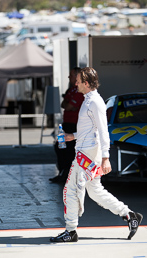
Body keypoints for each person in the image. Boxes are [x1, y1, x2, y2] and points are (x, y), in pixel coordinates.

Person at [50, 67, 143, 242]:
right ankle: (130, 215)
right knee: (95, 191)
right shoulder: (88, 100)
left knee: (70, 190)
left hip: (87, 153)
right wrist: (73, 136)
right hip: (87, 151)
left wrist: (106, 158)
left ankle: (70, 231)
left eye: (78, 80)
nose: (75, 83)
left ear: (86, 83)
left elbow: (103, 131)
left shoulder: (95, 102)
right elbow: (90, 130)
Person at [49, 67, 84, 183]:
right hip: (66, 124)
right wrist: (68, 104)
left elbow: (68, 106)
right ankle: (62, 173)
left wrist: (69, 104)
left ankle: (68, 175)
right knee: (59, 147)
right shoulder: (71, 90)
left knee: (69, 151)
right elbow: (64, 104)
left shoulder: (80, 90)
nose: (69, 77)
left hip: (74, 125)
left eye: (71, 75)